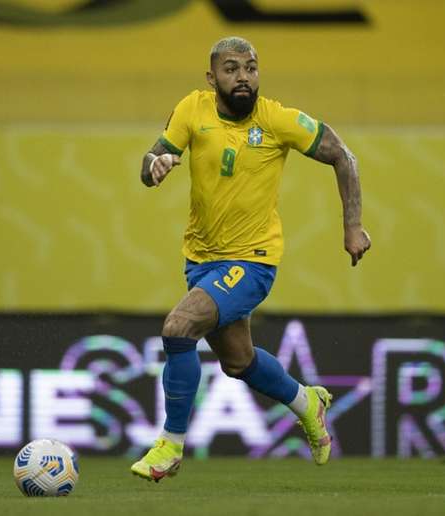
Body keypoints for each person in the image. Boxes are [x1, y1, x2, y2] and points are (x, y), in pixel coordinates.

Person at [130, 36, 371, 482]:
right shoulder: (192, 109)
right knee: (238, 361)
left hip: (252, 261)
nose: (243, 77)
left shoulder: (277, 119)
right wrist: (154, 166)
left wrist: (351, 226)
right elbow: (154, 157)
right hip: (201, 259)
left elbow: (343, 155)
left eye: (251, 68)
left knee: (178, 328)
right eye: (232, 69)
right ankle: (307, 403)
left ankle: (170, 445)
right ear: (212, 77)